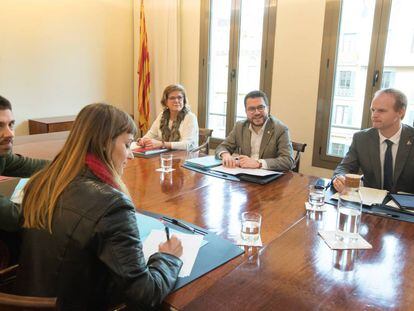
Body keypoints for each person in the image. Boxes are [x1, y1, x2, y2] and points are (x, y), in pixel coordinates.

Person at [16, 103, 183, 310]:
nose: (131, 155)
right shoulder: (112, 205)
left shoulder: (41, 181)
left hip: (32, 299)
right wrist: (168, 258)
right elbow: (144, 294)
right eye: (127, 144)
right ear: (105, 143)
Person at [333, 88, 414, 194]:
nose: (374, 115)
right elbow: (344, 168)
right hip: (370, 203)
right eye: (373, 110)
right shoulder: (361, 138)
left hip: (406, 208)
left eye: (381, 110)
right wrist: (340, 179)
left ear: (400, 112)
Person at [0, 95, 48, 232]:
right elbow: (14, 217)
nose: (10, 134)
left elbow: (24, 164)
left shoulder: (2, 155)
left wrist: (69, 164)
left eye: (11, 124)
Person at [215, 90, 294, 171]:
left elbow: (288, 160)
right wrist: (225, 155)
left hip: (269, 178)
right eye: (251, 109)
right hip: (244, 175)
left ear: (268, 108)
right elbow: (222, 147)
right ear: (246, 111)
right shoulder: (240, 126)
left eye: (260, 107)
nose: (257, 113)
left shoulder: (280, 129)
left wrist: (258, 163)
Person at [139, 84, 199, 151]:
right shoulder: (162, 115)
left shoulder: (190, 117)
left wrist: (162, 144)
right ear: (165, 102)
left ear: (184, 100)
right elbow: (151, 134)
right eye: (172, 98)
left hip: (187, 157)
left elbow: (187, 144)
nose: (176, 101)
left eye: (179, 97)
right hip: (166, 155)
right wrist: (143, 140)